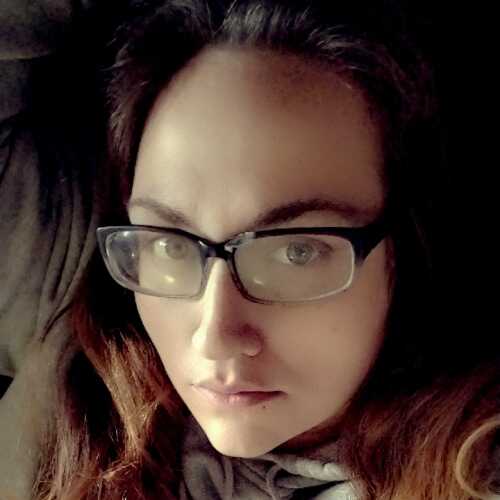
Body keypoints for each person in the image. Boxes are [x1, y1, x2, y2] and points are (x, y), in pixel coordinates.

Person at [1, 1, 498, 499]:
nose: (214, 338)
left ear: (408, 247)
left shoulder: (473, 469)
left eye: (296, 253)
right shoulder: (70, 318)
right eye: (169, 246)